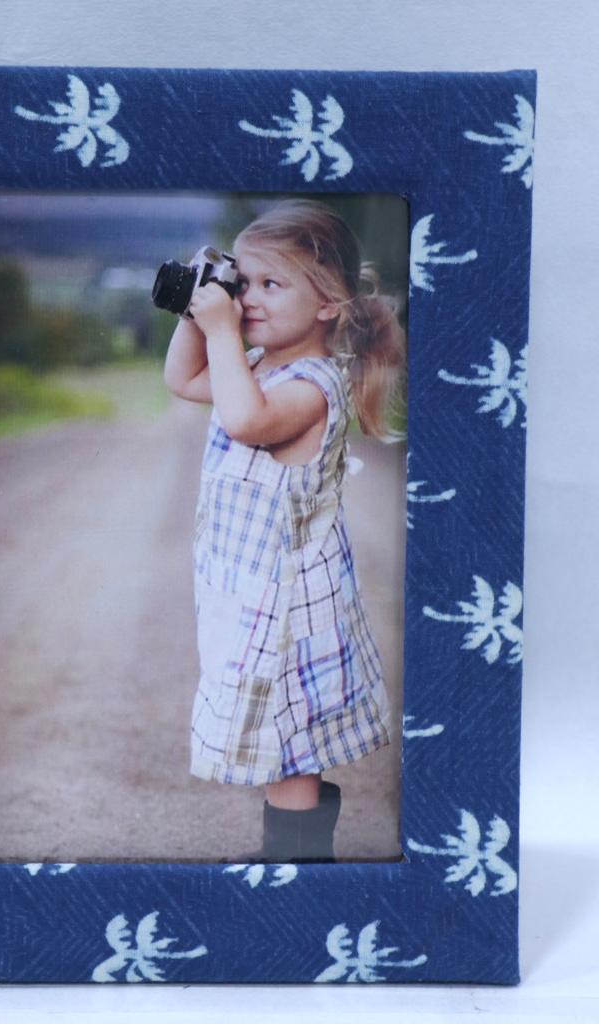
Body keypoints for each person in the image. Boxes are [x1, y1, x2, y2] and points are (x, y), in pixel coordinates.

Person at [163, 199, 405, 863]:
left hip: (292, 611)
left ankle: (296, 869)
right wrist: (198, 310)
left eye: (272, 284)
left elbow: (245, 420)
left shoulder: (314, 385)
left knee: (290, 748)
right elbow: (183, 380)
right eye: (245, 282)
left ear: (328, 303)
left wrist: (222, 331)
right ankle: (297, 864)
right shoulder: (261, 367)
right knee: (281, 743)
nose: (250, 300)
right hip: (250, 595)